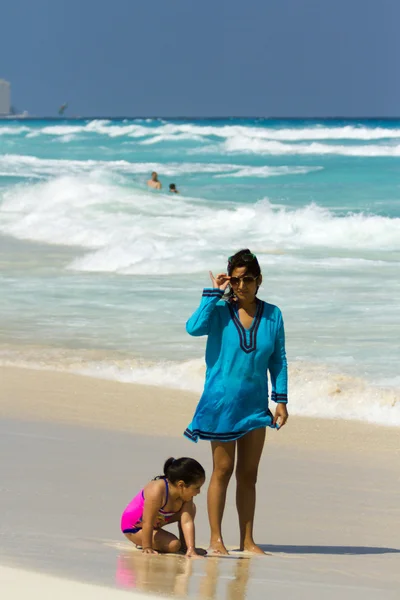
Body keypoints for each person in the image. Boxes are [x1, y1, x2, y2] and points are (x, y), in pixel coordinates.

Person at [184, 249, 289, 556]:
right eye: (236, 279)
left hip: (255, 406)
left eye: (248, 279)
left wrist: (280, 400)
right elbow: (193, 328)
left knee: (249, 474)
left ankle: (247, 540)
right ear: (229, 280)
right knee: (223, 469)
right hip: (221, 404)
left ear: (259, 280)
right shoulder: (218, 311)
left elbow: (278, 358)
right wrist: (213, 294)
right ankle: (216, 539)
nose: (242, 286)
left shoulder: (273, 315)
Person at [121, 456, 205, 557]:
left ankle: (185, 547)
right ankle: (144, 541)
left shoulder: (185, 494)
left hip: (156, 522)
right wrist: (147, 547)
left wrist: (191, 548)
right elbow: (147, 521)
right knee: (174, 545)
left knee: (191, 509)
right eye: (197, 488)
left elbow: (187, 521)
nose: (199, 492)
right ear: (181, 485)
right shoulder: (157, 490)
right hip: (135, 527)